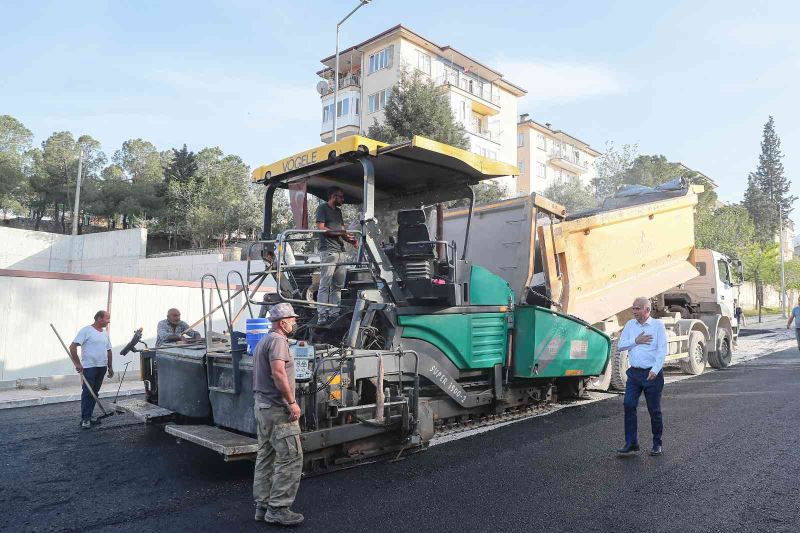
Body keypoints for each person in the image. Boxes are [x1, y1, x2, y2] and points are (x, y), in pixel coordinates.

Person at [252, 303, 304, 526]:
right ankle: (279, 509)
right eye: (292, 320)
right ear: (282, 322)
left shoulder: (264, 340)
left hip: (263, 407)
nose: (294, 323)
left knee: (266, 456)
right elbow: (278, 372)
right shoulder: (278, 341)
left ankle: (262, 507)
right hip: (277, 409)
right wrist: (292, 402)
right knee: (291, 457)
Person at [616, 297, 667, 457]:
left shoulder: (657, 326)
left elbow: (662, 349)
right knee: (629, 404)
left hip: (652, 374)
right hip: (634, 374)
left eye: (638, 309)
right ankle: (631, 443)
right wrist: (635, 341)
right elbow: (620, 345)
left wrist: (656, 369)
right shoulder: (630, 325)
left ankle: (657, 443)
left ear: (647, 310)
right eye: (633, 308)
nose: (634, 312)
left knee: (654, 410)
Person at [315, 186, 357, 324]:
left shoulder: (338, 212)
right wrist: (341, 233)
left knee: (338, 285)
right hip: (328, 251)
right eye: (340, 197)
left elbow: (343, 231)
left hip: (340, 251)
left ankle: (334, 313)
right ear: (333, 196)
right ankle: (322, 315)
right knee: (325, 284)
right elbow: (321, 229)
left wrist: (351, 240)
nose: (343, 200)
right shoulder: (322, 208)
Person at [68, 311, 114, 429]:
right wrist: (77, 363)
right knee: (88, 392)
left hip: (101, 367)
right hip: (89, 367)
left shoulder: (105, 333)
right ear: (99, 318)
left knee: (95, 393)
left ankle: (89, 416)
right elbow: (72, 347)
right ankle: (85, 419)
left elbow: (109, 350)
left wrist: (110, 366)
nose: (109, 321)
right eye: (107, 318)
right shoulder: (86, 330)